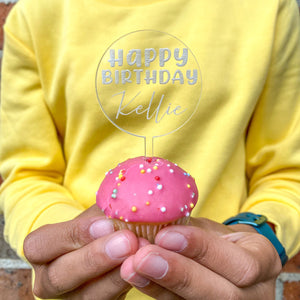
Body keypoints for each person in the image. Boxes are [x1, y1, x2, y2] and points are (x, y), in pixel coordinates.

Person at [1, 0, 300, 299]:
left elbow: (287, 172)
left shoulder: (267, 7)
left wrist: (257, 233)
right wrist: (69, 245)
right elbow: (27, 174)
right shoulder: (36, 14)